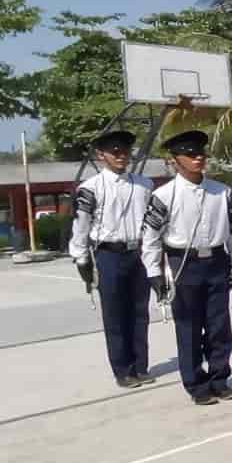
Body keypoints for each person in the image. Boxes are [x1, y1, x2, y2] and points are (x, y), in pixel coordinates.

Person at [141, 130, 232, 406]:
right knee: (188, 327)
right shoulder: (164, 195)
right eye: (190, 154)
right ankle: (196, 384)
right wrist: (153, 272)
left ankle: (220, 379)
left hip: (216, 261)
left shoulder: (222, 192)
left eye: (201, 153)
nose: (198, 158)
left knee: (219, 326)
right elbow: (150, 237)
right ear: (175, 160)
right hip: (183, 263)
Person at [70, 129, 157, 389]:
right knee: (115, 314)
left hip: (138, 253)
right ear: (101, 155)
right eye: (114, 151)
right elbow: (81, 225)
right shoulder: (90, 188)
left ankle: (140, 366)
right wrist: (81, 258)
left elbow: (153, 224)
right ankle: (122, 369)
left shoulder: (145, 184)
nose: (121, 156)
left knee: (140, 312)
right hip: (109, 254)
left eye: (125, 151)